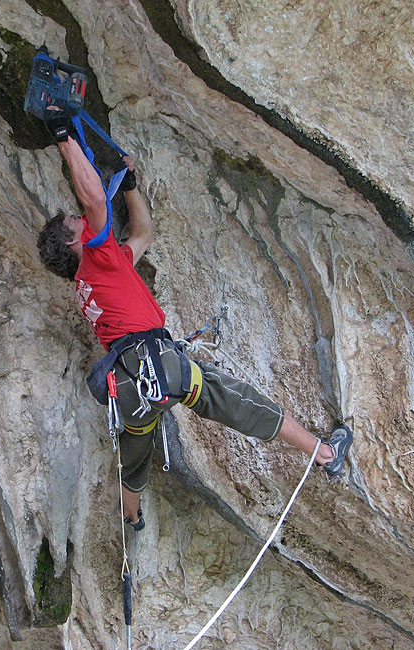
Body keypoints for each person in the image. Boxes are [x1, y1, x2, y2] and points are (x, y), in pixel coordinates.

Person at [37, 110, 353, 531]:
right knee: (236, 400)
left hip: (131, 388)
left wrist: (129, 186)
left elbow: (144, 234)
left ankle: (131, 518)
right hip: (161, 367)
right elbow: (94, 200)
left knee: (134, 457)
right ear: (75, 240)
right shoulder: (98, 257)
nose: (81, 219)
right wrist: (63, 137)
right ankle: (326, 455)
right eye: (74, 222)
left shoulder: (96, 276)